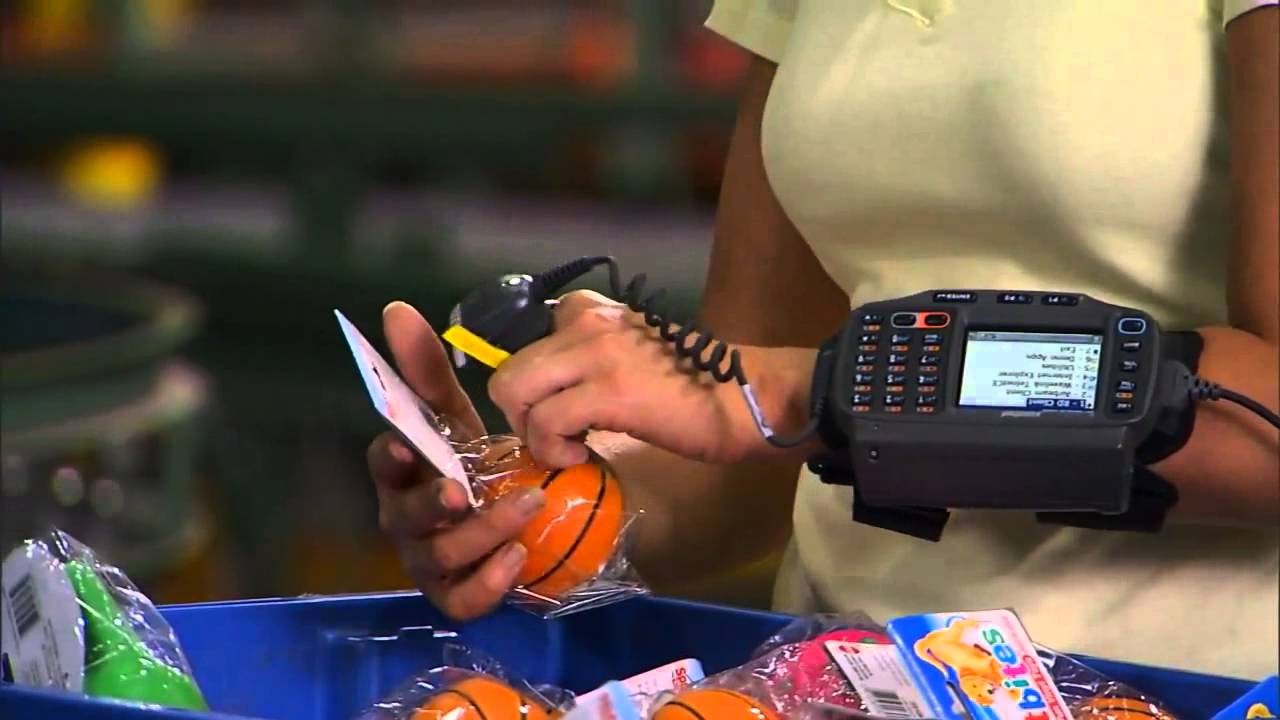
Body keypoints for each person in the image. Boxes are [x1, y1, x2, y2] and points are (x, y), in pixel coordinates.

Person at [367, 1, 1278, 677]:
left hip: (1172, 686)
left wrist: (805, 393)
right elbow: (747, 460)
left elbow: (1269, 415)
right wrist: (541, 511)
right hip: (838, 677)